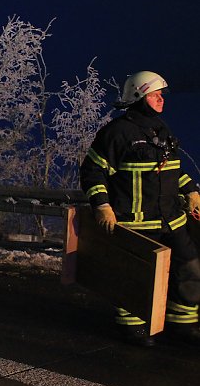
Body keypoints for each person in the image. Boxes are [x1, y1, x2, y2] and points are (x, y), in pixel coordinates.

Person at [80, 70, 200, 347]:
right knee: (136, 276)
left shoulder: (161, 130)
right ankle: (133, 328)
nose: (161, 100)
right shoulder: (116, 133)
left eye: (161, 96)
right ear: (138, 96)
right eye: (155, 95)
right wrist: (102, 205)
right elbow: (92, 172)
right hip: (136, 224)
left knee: (190, 267)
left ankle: (182, 324)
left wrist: (191, 190)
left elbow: (172, 170)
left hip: (171, 220)